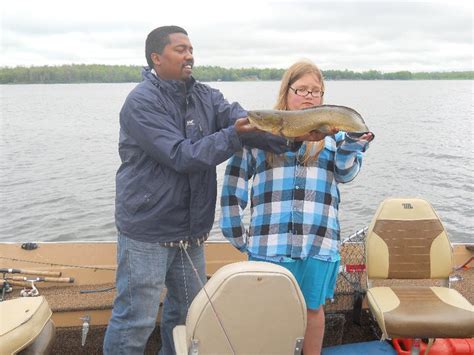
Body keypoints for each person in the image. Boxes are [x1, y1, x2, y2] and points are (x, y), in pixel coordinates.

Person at [103, 26, 305, 355]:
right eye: (180, 49)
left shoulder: (206, 97)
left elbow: (245, 122)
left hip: (192, 231)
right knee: (135, 320)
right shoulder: (141, 103)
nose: (190, 55)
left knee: (187, 315)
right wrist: (233, 136)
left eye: (191, 49)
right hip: (147, 232)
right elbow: (181, 155)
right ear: (156, 58)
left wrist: (294, 137)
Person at [220, 60, 373, 354]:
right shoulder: (259, 136)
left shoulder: (335, 138)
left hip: (318, 242)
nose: (309, 96)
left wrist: (354, 144)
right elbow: (233, 185)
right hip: (269, 244)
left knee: (312, 311)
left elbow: (346, 173)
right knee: (268, 314)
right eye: (301, 89)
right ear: (286, 92)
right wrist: (237, 235)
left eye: (316, 91)